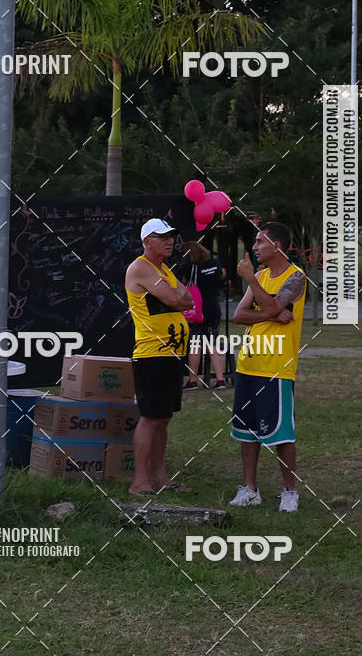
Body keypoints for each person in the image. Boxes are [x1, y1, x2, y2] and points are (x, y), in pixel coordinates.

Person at [229, 222, 306, 512]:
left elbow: (273, 305)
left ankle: (289, 491)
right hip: (249, 363)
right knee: (247, 431)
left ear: (277, 246)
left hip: (276, 367)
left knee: (282, 433)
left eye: (260, 243)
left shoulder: (296, 277)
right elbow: (240, 315)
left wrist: (253, 284)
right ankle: (250, 489)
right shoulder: (261, 276)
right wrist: (272, 314)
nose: (255, 248)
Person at [125, 218, 193, 496]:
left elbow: (189, 299)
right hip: (152, 353)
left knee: (164, 417)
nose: (169, 241)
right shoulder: (140, 267)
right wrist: (174, 295)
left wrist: (175, 294)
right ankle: (139, 481)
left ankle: (159, 475)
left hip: (172, 353)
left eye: (171, 236)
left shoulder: (163, 269)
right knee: (150, 416)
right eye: (161, 236)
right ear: (146, 242)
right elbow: (179, 301)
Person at [181, 241, 227, 390]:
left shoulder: (190, 268)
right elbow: (222, 280)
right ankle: (220, 380)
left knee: (195, 345)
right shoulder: (214, 263)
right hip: (214, 308)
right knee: (212, 344)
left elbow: (183, 285)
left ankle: (193, 381)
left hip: (197, 311)